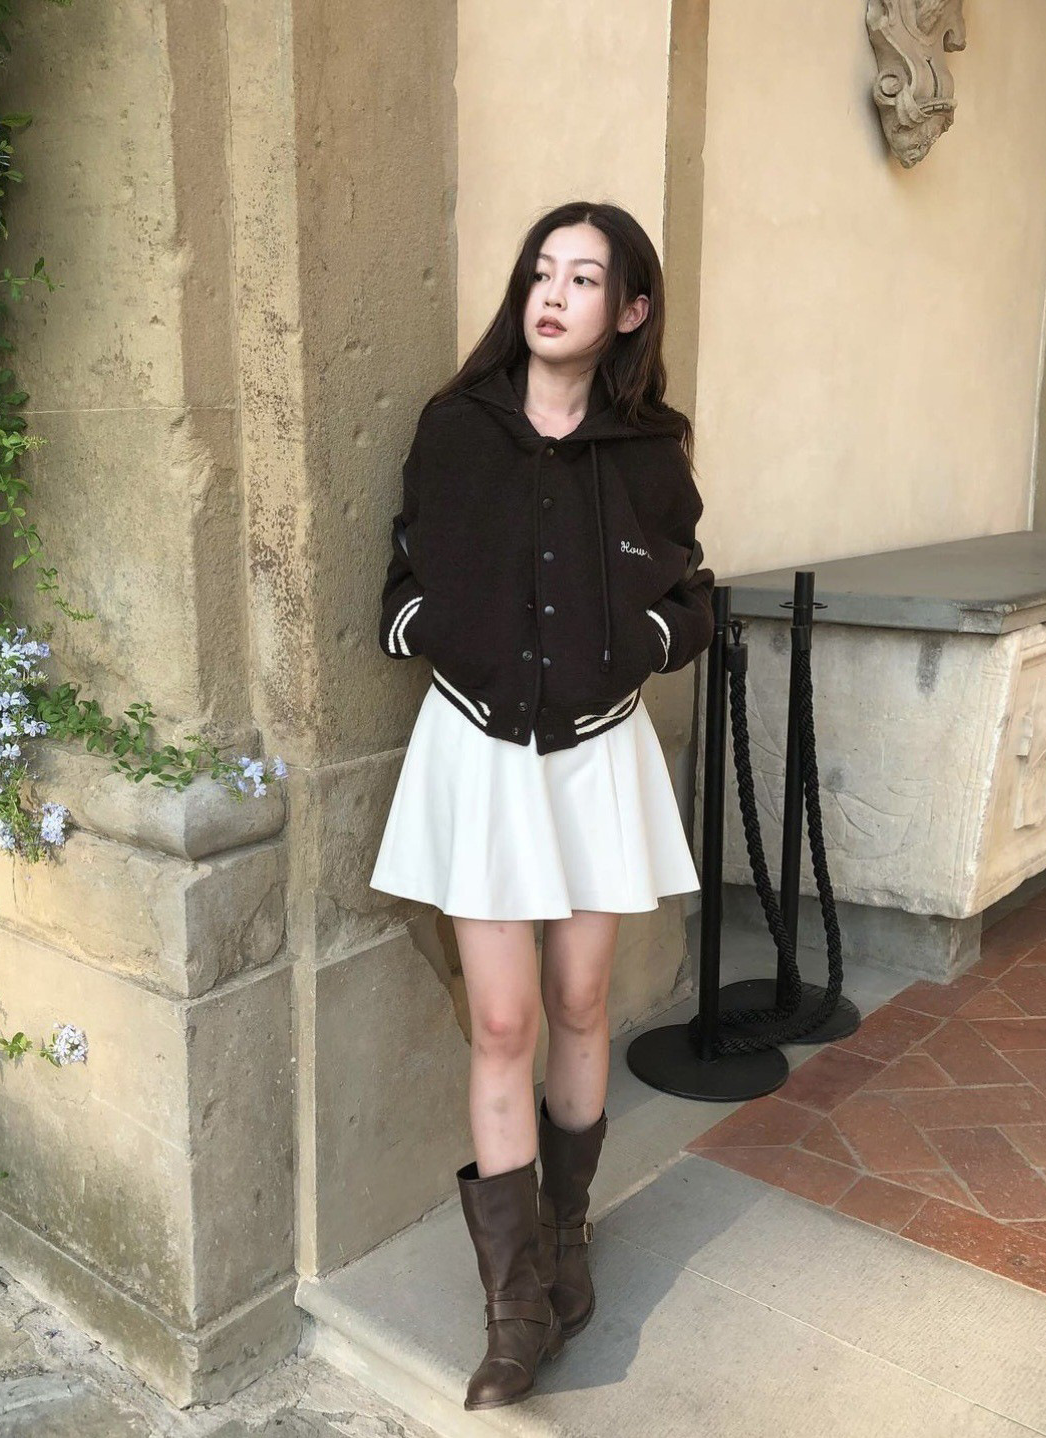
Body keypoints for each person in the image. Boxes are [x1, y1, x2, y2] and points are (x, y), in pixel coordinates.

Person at [369, 200, 715, 1412]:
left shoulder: (650, 448)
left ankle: (567, 1237)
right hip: (479, 752)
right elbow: (404, 575)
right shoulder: (457, 427)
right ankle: (513, 1306)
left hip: (595, 753)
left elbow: (689, 589)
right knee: (504, 1020)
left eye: (583, 277)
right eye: (540, 273)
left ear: (630, 308)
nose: (553, 294)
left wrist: (646, 644)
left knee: (579, 1004)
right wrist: (436, 630)